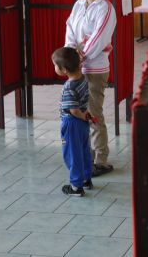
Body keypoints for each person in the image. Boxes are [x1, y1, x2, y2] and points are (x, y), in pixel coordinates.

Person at [66, 0, 117, 177]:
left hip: (94, 70)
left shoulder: (105, 9)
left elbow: (98, 39)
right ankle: (85, 154)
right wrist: (70, 53)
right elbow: (69, 28)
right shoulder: (79, 5)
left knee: (93, 112)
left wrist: (80, 56)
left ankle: (101, 159)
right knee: (76, 111)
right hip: (76, 68)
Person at [52, 47, 94, 196]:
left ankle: (76, 187)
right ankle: (86, 179)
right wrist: (86, 116)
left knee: (72, 153)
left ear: (63, 69)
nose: (55, 68)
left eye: (55, 65)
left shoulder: (69, 87)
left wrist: (82, 116)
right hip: (82, 123)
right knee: (84, 150)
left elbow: (73, 110)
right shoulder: (83, 78)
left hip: (72, 123)